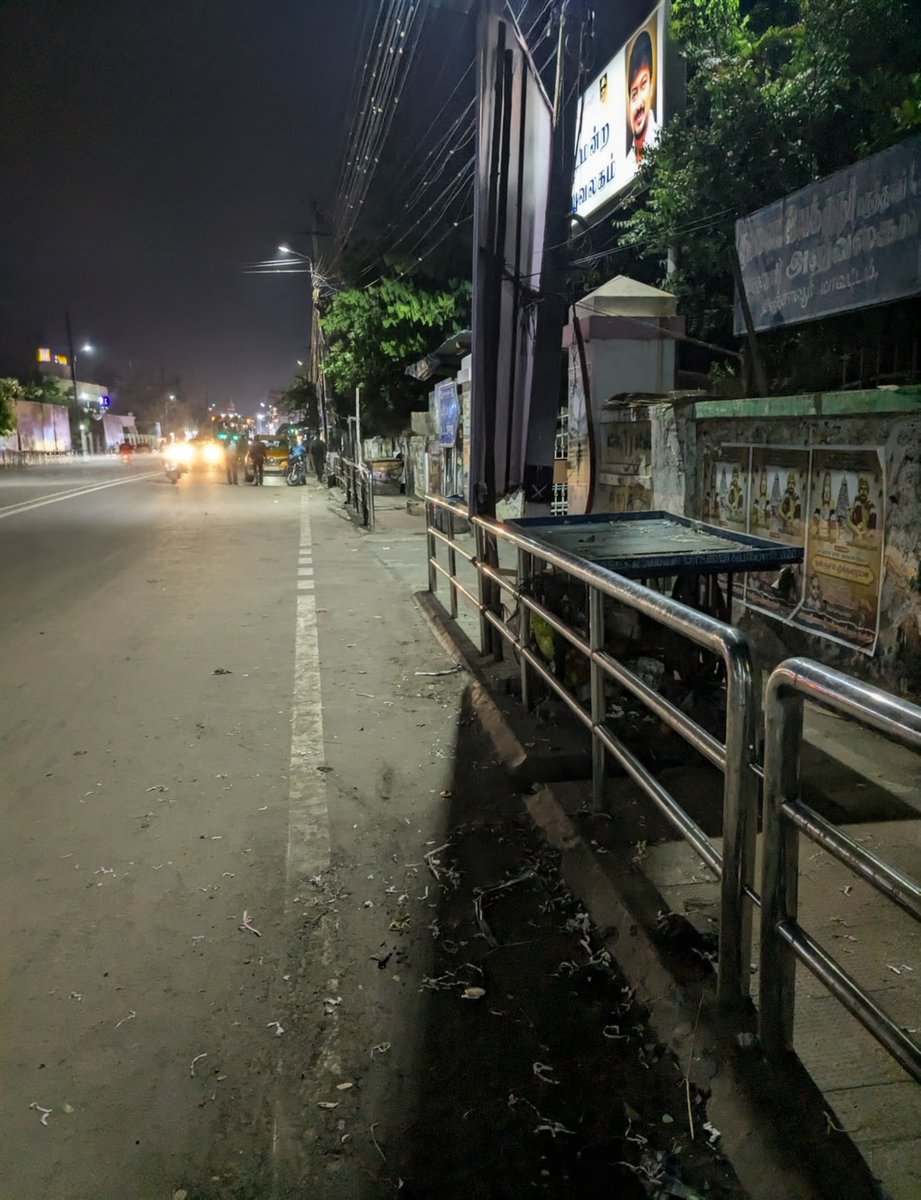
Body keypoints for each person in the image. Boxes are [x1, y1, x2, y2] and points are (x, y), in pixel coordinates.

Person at [626, 29, 660, 167]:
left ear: (651, 87)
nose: (639, 103)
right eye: (634, 94)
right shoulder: (625, 166)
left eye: (644, 84)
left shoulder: (663, 140)